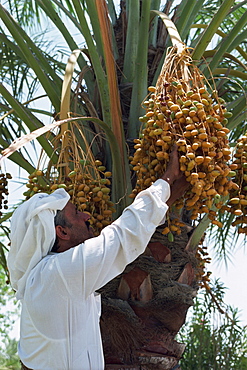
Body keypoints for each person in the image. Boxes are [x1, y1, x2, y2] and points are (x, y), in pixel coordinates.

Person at [7, 148, 188, 370]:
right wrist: (168, 178)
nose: (87, 216)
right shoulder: (57, 274)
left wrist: (166, 198)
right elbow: (121, 237)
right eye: (77, 214)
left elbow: (125, 237)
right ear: (62, 232)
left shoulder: (45, 280)